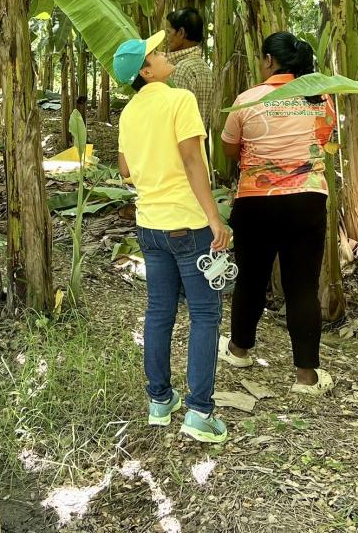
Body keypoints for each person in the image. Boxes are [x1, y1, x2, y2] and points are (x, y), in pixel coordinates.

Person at [114, 30, 231, 444]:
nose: (165, 54)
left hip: (150, 225)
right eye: (157, 53)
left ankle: (160, 401)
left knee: (159, 312)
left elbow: (125, 169)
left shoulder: (129, 113)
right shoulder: (179, 100)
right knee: (205, 314)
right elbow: (193, 160)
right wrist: (215, 218)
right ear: (147, 72)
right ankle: (199, 412)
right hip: (188, 224)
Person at [219, 32, 338, 396]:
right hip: (307, 200)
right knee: (302, 286)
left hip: (256, 201)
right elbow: (323, 141)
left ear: (269, 60)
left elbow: (229, 148)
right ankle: (306, 376)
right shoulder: (321, 98)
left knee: (251, 279)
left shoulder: (248, 99)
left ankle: (239, 351)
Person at [164, 7, 216, 123]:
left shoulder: (181, 69)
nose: (167, 37)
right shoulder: (205, 68)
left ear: (181, 33)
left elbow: (177, 118)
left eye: (168, 32)